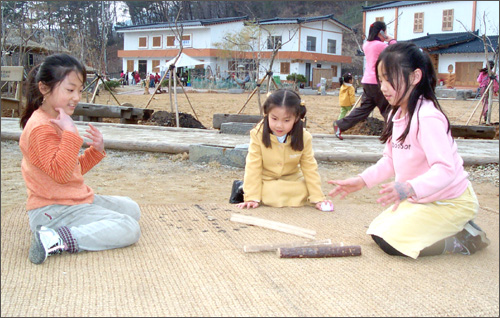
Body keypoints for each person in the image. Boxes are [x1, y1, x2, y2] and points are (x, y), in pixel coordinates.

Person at [328, 43, 490, 259]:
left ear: (415, 77)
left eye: (389, 78)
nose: (383, 87)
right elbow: (390, 161)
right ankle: (446, 228)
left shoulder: (427, 117)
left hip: (450, 201)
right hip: (423, 198)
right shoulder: (397, 115)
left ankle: (461, 239)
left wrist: (409, 187)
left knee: (392, 242)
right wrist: (361, 181)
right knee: (377, 231)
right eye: (381, 79)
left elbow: (445, 170)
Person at [19, 53, 141, 265]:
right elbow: (61, 173)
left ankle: (64, 230)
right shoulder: (40, 128)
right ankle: (54, 239)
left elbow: (71, 171)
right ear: (44, 88)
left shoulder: (59, 120)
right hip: (53, 210)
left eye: (79, 90)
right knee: (130, 228)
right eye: (70, 89)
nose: (76, 97)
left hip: (70, 199)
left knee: (132, 209)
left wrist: (96, 150)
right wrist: (71, 135)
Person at [236, 89, 333, 211]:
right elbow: (253, 166)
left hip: (292, 180)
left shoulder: (304, 137)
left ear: (297, 118)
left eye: (286, 120)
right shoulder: (257, 134)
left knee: (304, 189)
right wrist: (252, 197)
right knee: (271, 191)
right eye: (274, 118)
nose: (279, 125)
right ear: (266, 114)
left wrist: (318, 198)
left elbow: (309, 167)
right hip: (267, 180)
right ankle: (246, 189)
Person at [334, 21, 396, 140]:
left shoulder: (366, 44)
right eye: (385, 31)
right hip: (377, 82)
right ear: (381, 32)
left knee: (363, 110)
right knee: (388, 109)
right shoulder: (381, 45)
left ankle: (340, 125)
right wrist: (391, 39)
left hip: (367, 81)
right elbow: (396, 49)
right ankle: (395, 133)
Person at [336, 72, 356, 139]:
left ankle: (338, 123)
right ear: (350, 80)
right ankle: (348, 125)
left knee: (342, 113)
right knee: (353, 114)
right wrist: (353, 103)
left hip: (342, 103)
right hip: (348, 103)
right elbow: (351, 96)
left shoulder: (342, 86)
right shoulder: (351, 88)